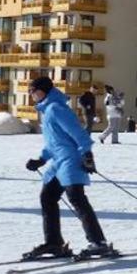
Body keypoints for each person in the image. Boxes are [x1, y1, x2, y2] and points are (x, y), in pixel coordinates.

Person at [22, 76, 115, 261]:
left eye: (32, 90)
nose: (30, 94)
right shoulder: (48, 110)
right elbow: (54, 142)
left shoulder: (56, 109)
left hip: (71, 160)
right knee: (47, 197)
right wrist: (41, 160)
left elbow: (78, 133)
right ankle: (54, 242)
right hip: (58, 161)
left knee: (77, 199)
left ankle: (99, 243)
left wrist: (87, 154)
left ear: (43, 91)